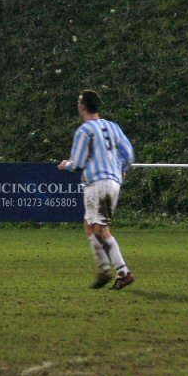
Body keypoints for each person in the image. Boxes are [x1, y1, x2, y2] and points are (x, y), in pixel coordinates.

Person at [58, 90, 136, 290]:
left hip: (98, 183)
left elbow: (78, 164)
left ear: (82, 106)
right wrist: (122, 170)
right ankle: (103, 270)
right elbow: (128, 154)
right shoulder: (113, 127)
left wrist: (67, 164)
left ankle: (123, 272)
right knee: (89, 225)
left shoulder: (85, 130)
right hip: (111, 181)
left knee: (101, 229)